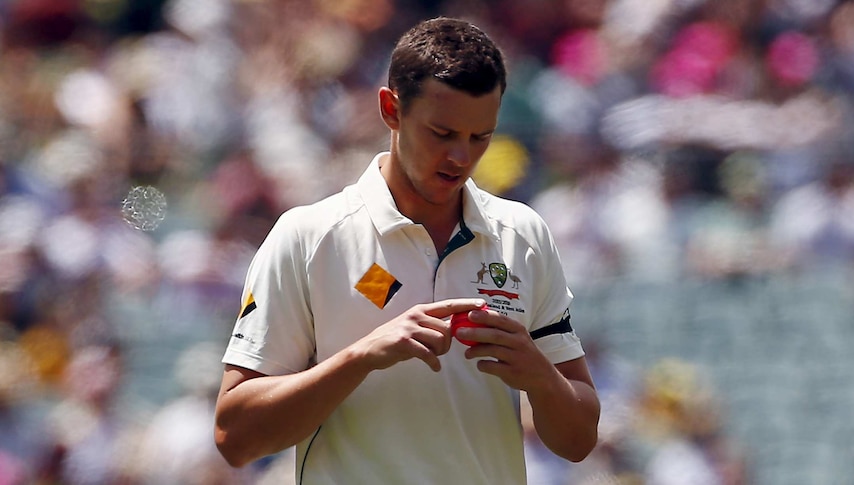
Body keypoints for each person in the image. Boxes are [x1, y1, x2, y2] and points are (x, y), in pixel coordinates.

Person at [214, 17, 600, 484]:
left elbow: (578, 442)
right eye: (442, 133)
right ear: (391, 109)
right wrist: (362, 357)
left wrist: (540, 376)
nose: (461, 157)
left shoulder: (523, 234)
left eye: (480, 136)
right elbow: (235, 437)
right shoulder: (308, 237)